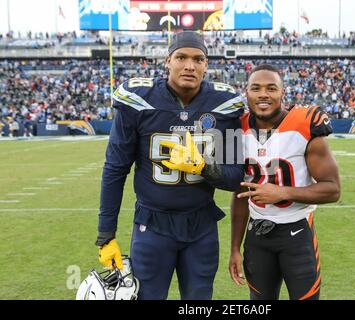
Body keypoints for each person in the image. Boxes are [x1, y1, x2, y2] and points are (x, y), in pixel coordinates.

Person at [96, 31, 245, 300]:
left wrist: (204, 167)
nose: (190, 65)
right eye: (181, 57)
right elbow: (115, 169)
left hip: (201, 226)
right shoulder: (138, 99)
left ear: (206, 65)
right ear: (168, 61)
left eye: (198, 59)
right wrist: (106, 233)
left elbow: (236, 178)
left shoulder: (225, 105)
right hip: (152, 226)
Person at [228, 64, 341, 300]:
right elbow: (240, 194)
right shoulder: (236, 129)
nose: (263, 94)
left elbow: (332, 189)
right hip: (256, 236)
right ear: (246, 93)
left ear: (283, 93)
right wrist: (234, 248)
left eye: (271, 88)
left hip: (297, 233)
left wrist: (283, 192)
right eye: (255, 88)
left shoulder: (304, 124)